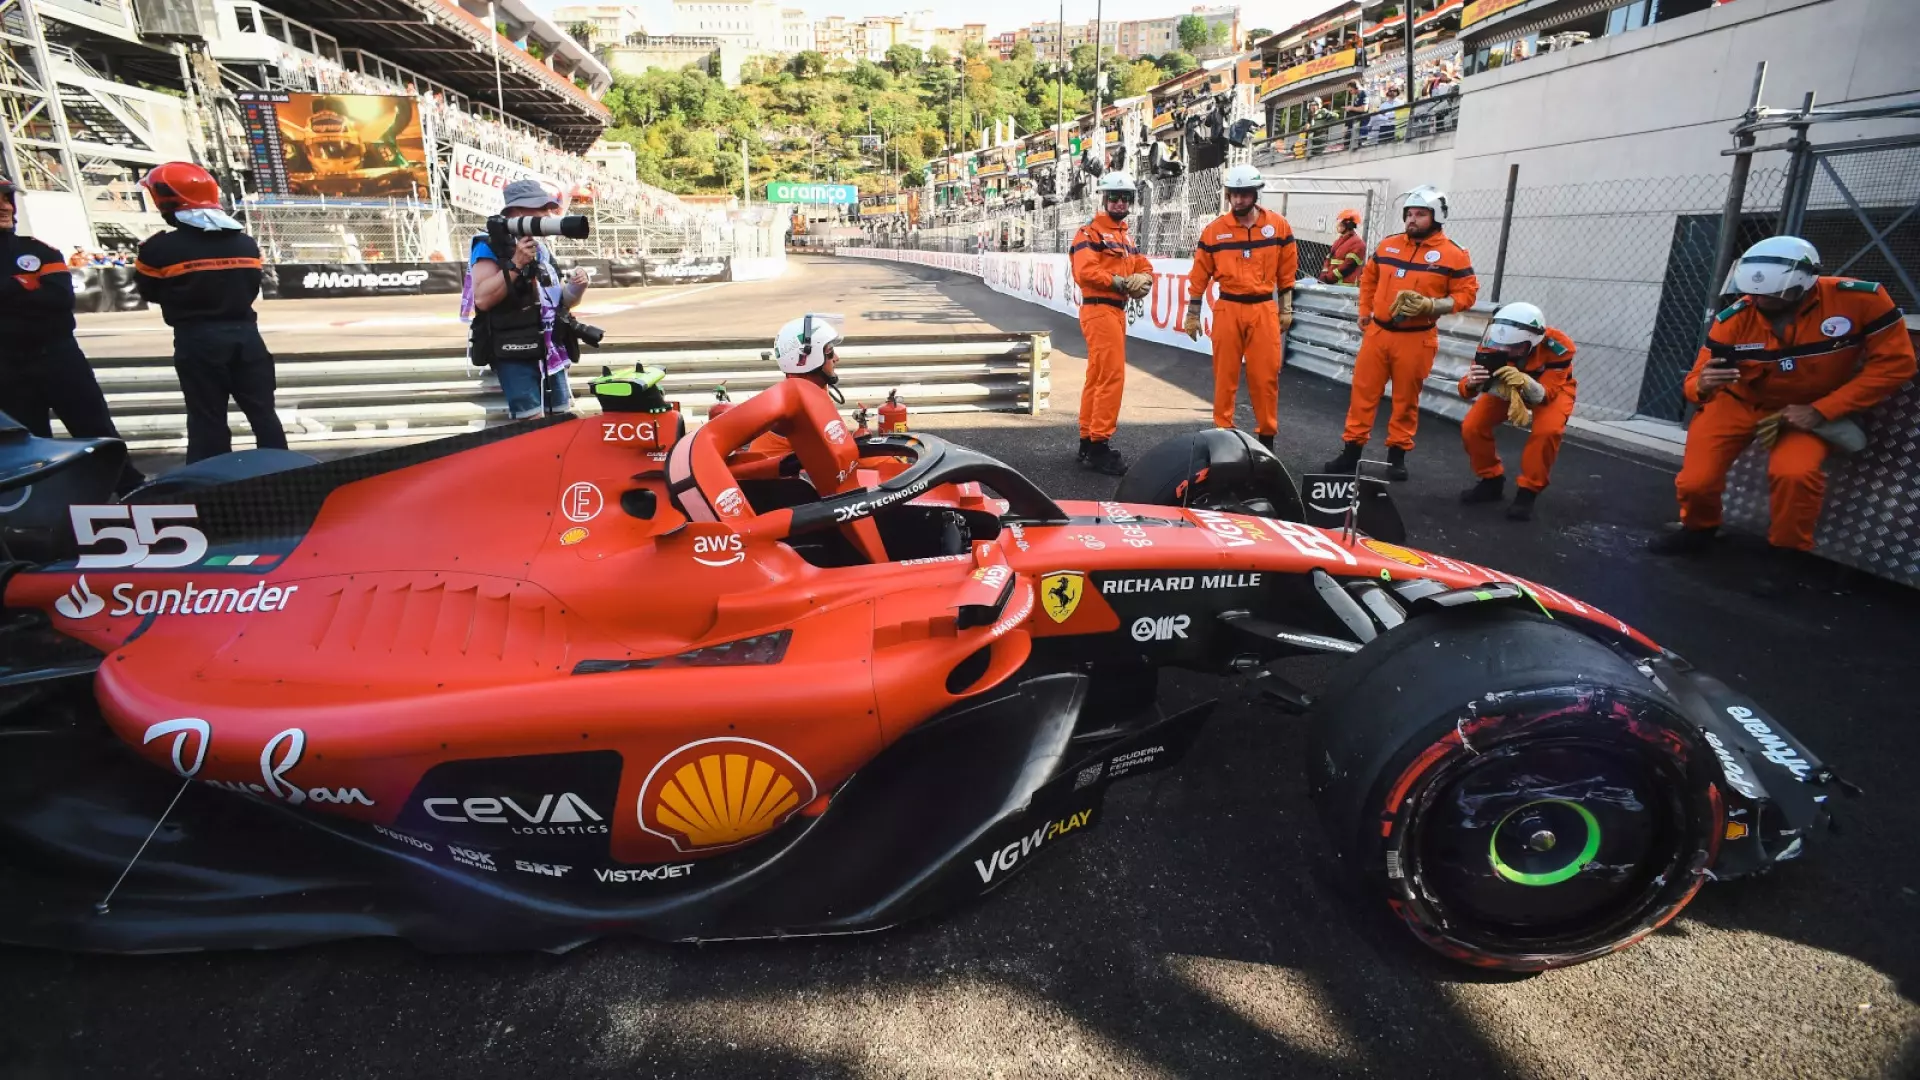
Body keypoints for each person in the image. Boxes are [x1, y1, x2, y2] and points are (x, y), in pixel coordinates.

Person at [1650, 236, 1914, 573]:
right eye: (1753, 291)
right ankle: (1699, 529)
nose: (1759, 299)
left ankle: (1786, 554)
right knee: (1695, 482)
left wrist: (1823, 410)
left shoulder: (1860, 300)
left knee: (1795, 475)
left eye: (1771, 294)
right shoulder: (1734, 318)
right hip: (1738, 402)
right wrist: (1701, 385)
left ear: (1803, 284)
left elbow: (1896, 364)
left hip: (1805, 408)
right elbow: (1696, 381)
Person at [1321, 185, 1478, 481]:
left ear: (1436, 216)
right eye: (1409, 214)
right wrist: (1365, 312)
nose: (1412, 219)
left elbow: (1467, 295)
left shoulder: (1453, 254)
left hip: (1417, 337)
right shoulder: (1388, 245)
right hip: (1378, 333)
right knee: (1363, 394)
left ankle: (1397, 457)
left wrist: (1433, 305)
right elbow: (1368, 280)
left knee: (1406, 400)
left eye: (1420, 214)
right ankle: (1351, 452)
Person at [135, 161, 287, 464]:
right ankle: (285, 473)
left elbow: (149, 292)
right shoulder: (245, 243)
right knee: (263, 414)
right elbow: (252, 288)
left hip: (197, 340)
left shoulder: (158, 249)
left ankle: (211, 487)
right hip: (246, 337)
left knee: (208, 419)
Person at [0, 177, 144, 493]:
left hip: (59, 356)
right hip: (6, 366)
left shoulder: (38, 250)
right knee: (28, 444)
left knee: (96, 429)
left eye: (7, 198)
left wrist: (10, 290)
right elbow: (41, 300)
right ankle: (41, 512)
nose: (5, 206)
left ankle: (135, 494)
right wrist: (24, 287)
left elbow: (59, 300)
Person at [1184, 164, 1297, 450]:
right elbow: (1199, 275)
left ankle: (1267, 441)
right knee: (1225, 377)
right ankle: (1224, 437)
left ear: (1255, 194)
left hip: (1263, 309)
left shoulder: (1278, 227)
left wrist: (1286, 307)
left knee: (1266, 377)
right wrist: (1192, 313)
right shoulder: (1214, 231)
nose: (1238, 201)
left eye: (1244, 195)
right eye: (1234, 195)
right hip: (1228, 309)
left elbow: (1287, 271)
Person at [467, 178, 589, 421]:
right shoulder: (488, 244)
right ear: (517, 212)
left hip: (550, 348)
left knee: (561, 421)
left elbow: (559, 303)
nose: (547, 214)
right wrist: (516, 264)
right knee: (530, 426)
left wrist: (578, 288)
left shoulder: (541, 249)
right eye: (540, 208)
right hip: (515, 350)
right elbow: (481, 299)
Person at [1457, 302, 1577, 521]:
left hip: (1551, 389)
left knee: (1547, 432)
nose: (1504, 351)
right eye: (1500, 345)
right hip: (1506, 386)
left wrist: (1525, 382)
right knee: (1472, 426)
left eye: (1513, 347)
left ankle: (1528, 492)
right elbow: (1465, 390)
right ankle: (1491, 480)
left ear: (1533, 341)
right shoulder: (1493, 342)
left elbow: (1547, 395)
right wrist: (1473, 383)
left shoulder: (1559, 346)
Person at [1069, 170, 1153, 475]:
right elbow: (1084, 272)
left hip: (1113, 312)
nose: (1119, 203)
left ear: (1130, 201)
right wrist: (1119, 282)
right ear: (1104, 199)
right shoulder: (1088, 233)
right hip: (1099, 309)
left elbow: (1141, 263)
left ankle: (1088, 439)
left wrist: (1145, 276)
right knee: (1111, 377)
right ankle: (1099, 445)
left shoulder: (1125, 237)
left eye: (1124, 198)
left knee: (1098, 376)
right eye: (1114, 198)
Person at [1320, 208, 1364, 285]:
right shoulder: (1338, 241)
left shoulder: (1358, 244)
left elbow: (1348, 266)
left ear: (1347, 225)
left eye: (1341, 223)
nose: (1338, 225)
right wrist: (1324, 274)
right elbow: (1329, 258)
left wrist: (1328, 278)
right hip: (1332, 283)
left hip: (1345, 287)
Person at [1341, 80, 1369, 151]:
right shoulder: (1358, 95)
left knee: (1358, 146)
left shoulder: (1364, 93)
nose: (1350, 92)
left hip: (1362, 124)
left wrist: (1351, 108)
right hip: (1356, 125)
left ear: (1356, 87)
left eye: (1351, 90)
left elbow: (1364, 108)